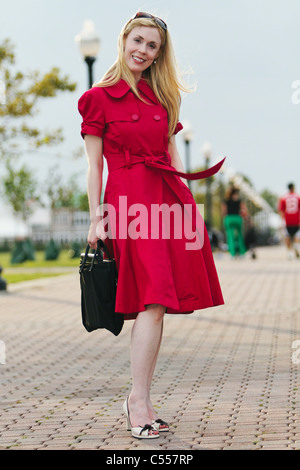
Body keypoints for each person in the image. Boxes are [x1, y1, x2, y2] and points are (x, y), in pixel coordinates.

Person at [78, 12, 224, 439]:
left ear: (160, 53)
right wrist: (95, 219)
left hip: (167, 203)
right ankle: (137, 401)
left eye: (152, 45)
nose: (143, 50)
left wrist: (188, 212)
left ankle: (140, 398)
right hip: (127, 205)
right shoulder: (97, 98)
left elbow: (174, 158)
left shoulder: (164, 98)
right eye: (137, 40)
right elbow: (93, 168)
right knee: (153, 298)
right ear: (124, 40)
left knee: (157, 303)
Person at [222, 186, 247, 258]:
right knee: (239, 235)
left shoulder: (226, 201)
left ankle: (232, 253)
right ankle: (242, 252)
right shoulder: (239, 201)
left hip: (229, 218)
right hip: (238, 218)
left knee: (230, 236)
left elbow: (224, 212)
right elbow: (244, 210)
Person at [278, 183, 300, 259]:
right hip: (297, 220)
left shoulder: (283, 198)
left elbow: (281, 210)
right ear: (293, 188)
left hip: (287, 220)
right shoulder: (298, 197)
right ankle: (296, 246)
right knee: (297, 235)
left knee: (287, 236)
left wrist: (282, 220)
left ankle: (290, 252)